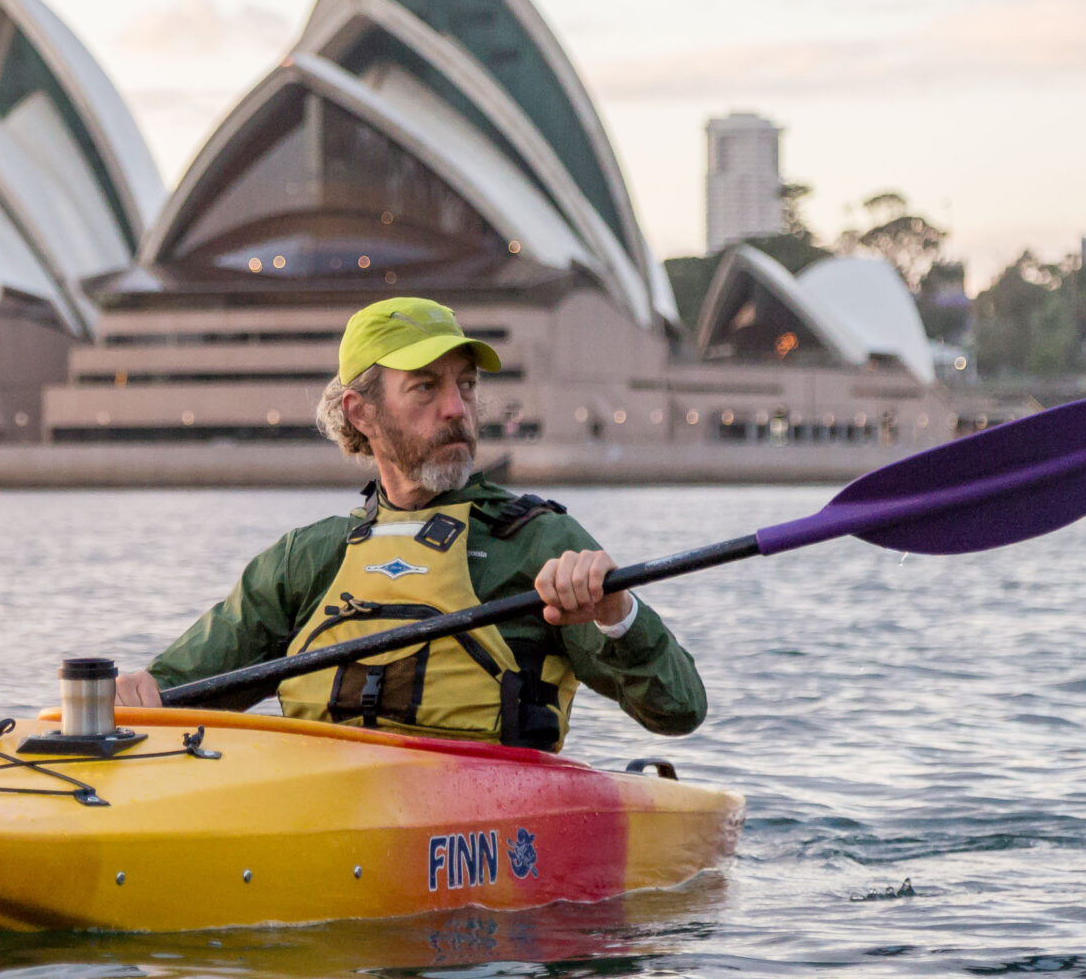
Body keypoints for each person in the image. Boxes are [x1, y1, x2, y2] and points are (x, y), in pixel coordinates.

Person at [117, 298, 706, 751]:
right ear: (361, 411)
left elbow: (678, 710)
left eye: (466, 386)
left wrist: (615, 614)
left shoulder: (536, 542)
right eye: (425, 387)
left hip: (489, 818)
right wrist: (127, 698)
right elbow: (166, 697)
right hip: (324, 807)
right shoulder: (307, 558)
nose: (457, 408)